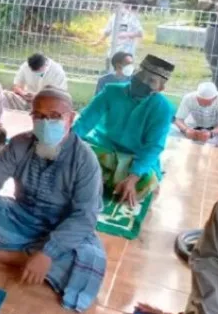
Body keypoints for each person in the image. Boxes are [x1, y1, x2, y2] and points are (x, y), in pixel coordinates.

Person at [0, 87, 106, 313]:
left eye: (55, 116)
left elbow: (85, 217)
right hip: (19, 217)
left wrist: (48, 253)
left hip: (61, 229)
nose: (46, 123)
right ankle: (24, 256)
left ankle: (4, 256)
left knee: (89, 260)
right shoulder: (19, 144)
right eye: (39, 116)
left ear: (71, 118)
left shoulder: (85, 160)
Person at [73, 54, 175, 207]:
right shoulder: (111, 91)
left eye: (151, 81)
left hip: (134, 157)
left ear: (160, 88)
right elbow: (84, 122)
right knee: (77, 158)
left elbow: (154, 146)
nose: (143, 82)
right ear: (134, 73)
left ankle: (105, 181)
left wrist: (133, 178)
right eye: (141, 75)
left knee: (146, 181)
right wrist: (64, 146)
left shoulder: (163, 108)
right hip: (103, 147)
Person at [173, 81, 218, 147]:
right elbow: (178, 119)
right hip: (192, 127)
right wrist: (186, 130)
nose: (204, 105)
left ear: (215, 98)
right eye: (201, 102)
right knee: (170, 130)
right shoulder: (188, 98)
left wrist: (211, 134)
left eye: (208, 103)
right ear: (196, 97)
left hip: (216, 131)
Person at [94, 0, 143, 72]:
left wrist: (127, 35)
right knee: (110, 71)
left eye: (124, 6)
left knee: (123, 74)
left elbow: (140, 33)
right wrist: (98, 42)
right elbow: (107, 31)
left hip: (126, 51)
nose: (122, 8)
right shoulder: (114, 16)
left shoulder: (133, 18)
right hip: (113, 49)